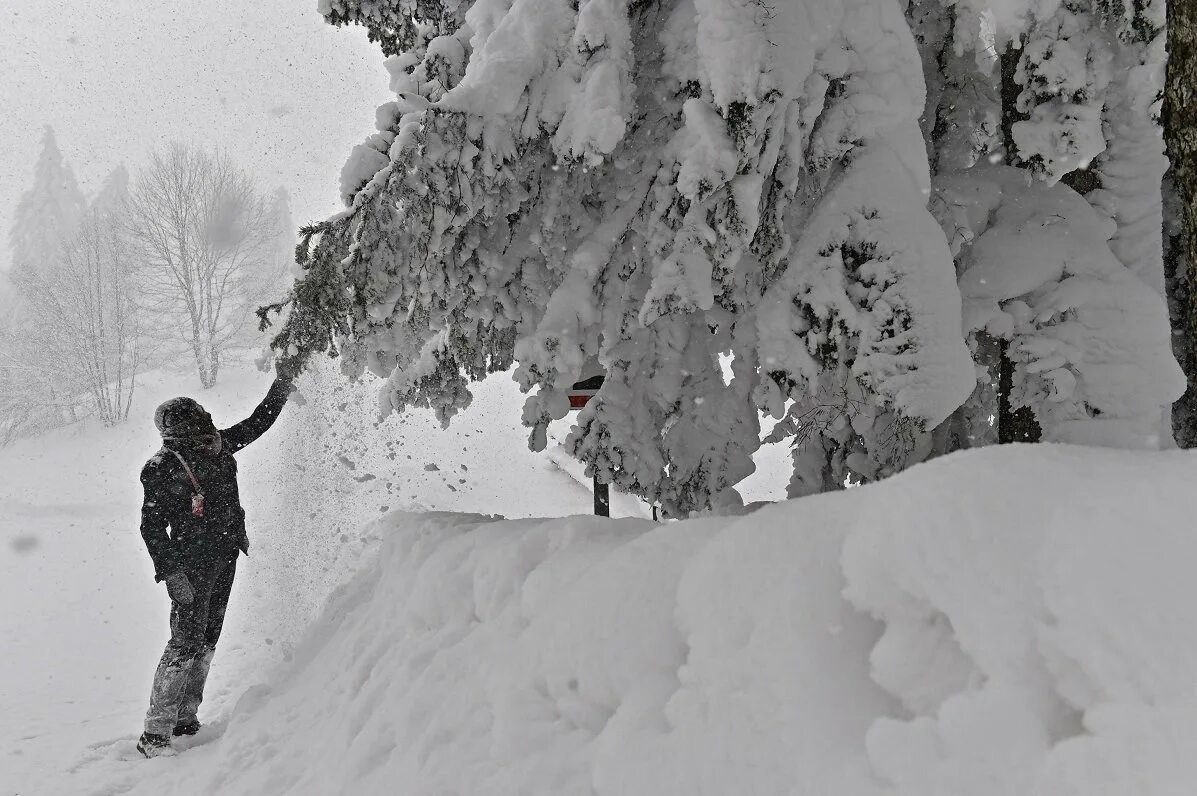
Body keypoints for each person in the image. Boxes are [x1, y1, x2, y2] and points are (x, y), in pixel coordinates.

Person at [135, 370, 295, 758]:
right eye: (200, 427)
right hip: (189, 566)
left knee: (207, 639)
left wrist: (283, 383)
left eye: (207, 425)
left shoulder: (218, 446)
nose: (209, 435)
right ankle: (156, 733)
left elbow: (259, 421)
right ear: (179, 433)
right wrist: (172, 574)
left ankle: (186, 720)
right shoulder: (160, 468)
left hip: (224, 556)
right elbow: (151, 527)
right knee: (185, 642)